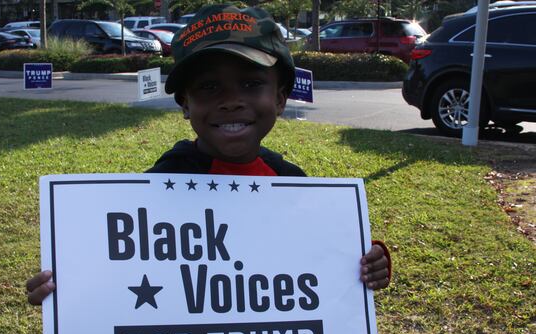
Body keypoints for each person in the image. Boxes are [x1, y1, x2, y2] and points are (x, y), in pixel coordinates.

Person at [27, 4, 391, 305]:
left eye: (251, 83)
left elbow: (320, 258)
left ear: (279, 99)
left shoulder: (292, 183)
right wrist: (64, 285)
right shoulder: (156, 190)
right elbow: (112, 270)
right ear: (186, 104)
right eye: (208, 87)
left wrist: (363, 262)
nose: (231, 101)